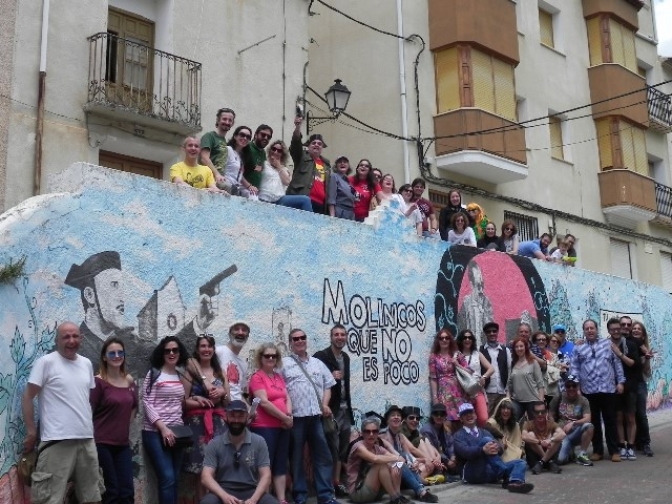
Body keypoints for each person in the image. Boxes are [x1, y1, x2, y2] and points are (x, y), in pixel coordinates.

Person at [22, 322, 103, 504]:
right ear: (57, 340)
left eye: (75, 336)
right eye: (66, 337)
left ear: (81, 338)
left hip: (86, 441)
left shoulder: (86, 364)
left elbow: (83, 400)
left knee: (92, 498)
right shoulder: (46, 363)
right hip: (56, 442)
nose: (71, 340)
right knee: (50, 500)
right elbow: (27, 397)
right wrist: (31, 432)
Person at [64, 250, 153, 377]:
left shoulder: (132, 344)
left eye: (121, 287)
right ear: (90, 295)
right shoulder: (74, 349)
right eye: (113, 285)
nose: (122, 297)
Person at [281, 328, 338, 504]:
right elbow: (279, 388)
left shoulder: (317, 363)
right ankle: (300, 496)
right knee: (296, 458)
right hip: (296, 418)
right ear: (290, 343)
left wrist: (325, 404)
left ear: (306, 340)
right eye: (295, 338)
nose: (299, 341)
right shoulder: (283, 363)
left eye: (302, 337)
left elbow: (328, 385)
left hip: (315, 418)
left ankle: (326, 496)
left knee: (323, 456)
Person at [200, 400, 278, 504]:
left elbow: (266, 476)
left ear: (247, 418)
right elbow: (206, 477)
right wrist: (224, 496)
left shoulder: (259, 441)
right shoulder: (214, 443)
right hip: (223, 490)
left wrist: (253, 500)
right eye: (232, 415)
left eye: (241, 416)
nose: (236, 420)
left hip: (251, 490)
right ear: (225, 417)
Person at [570, 319, 625, 462]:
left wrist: (620, 382)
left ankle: (614, 451)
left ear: (596, 329)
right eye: (587, 328)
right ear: (584, 331)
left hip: (608, 389)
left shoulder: (608, 345)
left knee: (610, 420)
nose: (589, 330)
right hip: (589, 391)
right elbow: (574, 368)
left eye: (592, 328)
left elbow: (617, 364)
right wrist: (575, 386)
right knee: (593, 422)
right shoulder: (579, 348)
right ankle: (597, 451)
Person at [90, 337, 137, 504]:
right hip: (102, 443)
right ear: (104, 357)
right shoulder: (98, 382)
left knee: (127, 491)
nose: (117, 356)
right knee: (112, 491)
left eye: (120, 352)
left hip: (122, 444)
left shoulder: (129, 381)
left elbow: (133, 406)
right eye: (112, 353)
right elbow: (89, 411)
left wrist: (124, 426)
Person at [182, 336, 230, 500]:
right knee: (202, 472)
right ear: (197, 349)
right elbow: (183, 402)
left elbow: (228, 401)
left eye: (209, 346)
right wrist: (200, 402)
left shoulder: (220, 373)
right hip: (197, 426)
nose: (206, 349)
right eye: (202, 346)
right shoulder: (190, 372)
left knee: (218, 468)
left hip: (219, 424)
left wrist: (223, 392)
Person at [142, 336, 188, 504]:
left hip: (177, 432)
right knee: (167, 478)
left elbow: (180, 403)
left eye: (175, 350)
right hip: (155, 432)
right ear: (162, 353)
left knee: (175, 478)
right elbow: (147, 403)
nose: (171, 353)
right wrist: (162, 428)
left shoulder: (179, 375)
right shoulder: (154, 374)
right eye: (167, 350)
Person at [453, 403, 533, 494]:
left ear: (475, 415)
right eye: (465, 414)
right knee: (486, 440)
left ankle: (515, 483)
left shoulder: (484, 432)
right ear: (461, 419)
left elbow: (500, 448)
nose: (469, 416)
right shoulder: (458, 435)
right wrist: (483, 450)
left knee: (520, 462)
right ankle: (505, 474)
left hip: (490, 471)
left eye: (470, 413)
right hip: (471, 472)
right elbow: (465, 452)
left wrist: (498, 447)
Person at [248, 343, 293, 504]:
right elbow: (264, 403)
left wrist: (289, 416)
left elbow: (286, 398)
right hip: (264, 428)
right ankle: (264, 499)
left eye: (274, 356)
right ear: (261, 358)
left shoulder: (278, 377)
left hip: (282, 426)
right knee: (264, 465)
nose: (271, 358)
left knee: (281, 463)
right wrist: (285, 418)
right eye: (267, 356)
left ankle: (281, 499)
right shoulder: (257, 377)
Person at [313, 324, 355, 498]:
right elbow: (314, 380)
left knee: (342, 449)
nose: (340, 337)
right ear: (331, 337)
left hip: (345, 409)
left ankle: (336, 483)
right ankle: (326, 485)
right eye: (336, 334)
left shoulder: (345, 357)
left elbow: (346, 385)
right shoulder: (321, 356)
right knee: (331, 447)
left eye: (343, 334)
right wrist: (330, 375)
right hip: (331, 409)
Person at [379, 405, 438, 502]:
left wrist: (414, 462)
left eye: (398, 415)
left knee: (409, 462)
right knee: (400, 461)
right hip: (388, 474)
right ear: (387, 420)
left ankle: (420, 488)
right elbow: (383, 458)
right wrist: (404, 461)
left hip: (400, 473)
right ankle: (420, 491)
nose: (396, 417)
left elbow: (408, 454)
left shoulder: (400, 436)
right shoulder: (382, 435)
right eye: (393, 415)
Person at [345, 417, 406, 504]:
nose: (371, 434)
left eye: (374, 431)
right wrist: (397, 458)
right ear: (362, 433)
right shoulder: (358, 447)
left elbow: (399, 460)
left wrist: (397, 463)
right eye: (367, 431)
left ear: (378, 433)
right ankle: (394, 498)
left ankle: (398, 495)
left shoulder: (378, 448)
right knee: (380, 464)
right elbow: (375, 458)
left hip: (375, 492)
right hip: (358, 492)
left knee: (395, 465)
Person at [606, 317, 641, 461]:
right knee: (619, 418)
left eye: (617, 328)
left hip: (630, 386)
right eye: (613, 329)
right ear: (608, 330)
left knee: (631, 417)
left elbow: (633, 363)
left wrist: (619, 354)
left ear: (621, 330)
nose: (616, 331)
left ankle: (631, 447)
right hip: (613, 387)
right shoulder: (605, 344)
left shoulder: (630, 345)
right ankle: (621, 445)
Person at [288, 116, 331, 214]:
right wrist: (298, 127)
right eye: (314, 143)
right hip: (302, 199)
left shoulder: (326, 165)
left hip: (320, 205)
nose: (317, 145)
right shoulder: (301, 157)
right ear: (308, 146)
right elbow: (295, 143)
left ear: (322, 148)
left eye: (319, 144)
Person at [548, 375, 594, 466]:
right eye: (568, 386)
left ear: (578, 386)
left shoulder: (583, 400)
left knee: (589, 426)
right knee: (560, 460)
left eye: (574, 385)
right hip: (561, 433)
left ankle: (582, 454)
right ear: (565, 387)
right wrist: (554, 428)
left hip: (576, 431)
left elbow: (587, 418)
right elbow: (550, 415)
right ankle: (570, 453)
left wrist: (573, 423)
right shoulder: (558, 397)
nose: (571, 388)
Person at [428, 329, 470, 428]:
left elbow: (469, 372)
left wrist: (457, 364)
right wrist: (435, 398)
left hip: (459, 393)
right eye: (441, 338)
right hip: (444, 395)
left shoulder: (457, 354)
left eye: (447, 338)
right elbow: (433, 378)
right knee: (446, 422)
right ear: (438, 341)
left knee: (461, 421)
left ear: (450, 340)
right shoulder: (433, 357)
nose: (444, 340)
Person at [258, 140, 313, 211]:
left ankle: (309, 222)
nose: (275, 152)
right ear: (270, 150)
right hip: (263, 198)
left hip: (279, 200)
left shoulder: (284, 169)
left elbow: (287, 182)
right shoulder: (264, 164)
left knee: (305, 200)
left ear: (282, 154)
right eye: (273, 149)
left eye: (279, 151)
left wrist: (278, 166)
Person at [456, 329, 494, 426]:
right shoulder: (456, 355)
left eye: (470, 337)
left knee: (483, 418)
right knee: (464, 419)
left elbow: (491, 369)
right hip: (463, 391)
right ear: (461, 340)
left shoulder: (477, 354)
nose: (467, 339)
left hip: (477, 389)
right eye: (465, 337)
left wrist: (484, 377)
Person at [457, 262, 494, 347]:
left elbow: (490, 328)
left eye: (481, 285)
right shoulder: (466, 303)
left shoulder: (486, 302)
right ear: (471, 283)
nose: (480, 290)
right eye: (477, 285)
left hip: (484, 348)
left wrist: (483, 313)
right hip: (469, 349)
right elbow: (460, 327)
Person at [630, 320, 654, 456]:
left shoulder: (645, 350)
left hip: (639, 384)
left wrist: (647, 358)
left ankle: (645, 442)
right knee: (629, 415)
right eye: (634, 328)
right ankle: (633, 442)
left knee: (641, 414)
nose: (636, 330)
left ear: (643, 335)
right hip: (628, 384)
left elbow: (647, 372)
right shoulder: (627, 344)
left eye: (639, 329)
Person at [400, 406, 444, 479]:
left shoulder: (415, 432)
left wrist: (437, 457)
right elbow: (412, 449)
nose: (415, 420)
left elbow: (430, 445)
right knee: (420, 441)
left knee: (424, 440)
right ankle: (422, 477)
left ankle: (430, 472)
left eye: (417, 418)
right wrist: (431, 460)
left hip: (416, 459)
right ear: (404, 419)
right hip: (405, 460)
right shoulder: (400, 431)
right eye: (411, 418)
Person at [521, 401, 565, 474]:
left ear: (546, 412)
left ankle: (542, 462)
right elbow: (524, 436)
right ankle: (547, 461)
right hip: (535, 460)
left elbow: (562, 434)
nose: (540, 414)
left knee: (556, 435)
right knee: (531, 435)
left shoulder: (551, 423)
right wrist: (540, 442)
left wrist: (550, 440)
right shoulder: (528, 424)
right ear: (533, 413)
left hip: (547, 455)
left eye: (542, 412)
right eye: (537, 412)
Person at [507, 337, 545, 421]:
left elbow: (540, 384)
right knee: (512, 421)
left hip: (533, 400)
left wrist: (541, 402)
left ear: (525, 347)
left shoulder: (533, 362)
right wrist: (507, 400)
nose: (519, 349)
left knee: (534, 425)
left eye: (521, 346)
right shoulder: (512, 364)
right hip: (517, 401)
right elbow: (509, 385)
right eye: (516, 347)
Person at [479, 322, 512, 418]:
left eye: (494, 331)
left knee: (502, 420)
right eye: (489, 332)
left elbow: (509, 371)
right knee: (487, 419)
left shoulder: (506, 350)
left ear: (497, 332)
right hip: (487, 392)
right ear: (485, 334)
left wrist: (508, 391)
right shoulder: (480, 350)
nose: (492, 333)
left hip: (503, 392)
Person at [200, 107, 236, 186]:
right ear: (218, 120)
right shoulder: (209, 136)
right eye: (224, 119)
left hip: (218, 179)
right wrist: (217, 174)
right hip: (206, 179)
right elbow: (204, 158)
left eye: (230, 120)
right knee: (226, 187)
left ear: (232, 123)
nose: (227, 122)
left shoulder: (224, 142)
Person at [216, 322, 251, 401]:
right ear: (229, 334)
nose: (240, 332)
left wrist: (249, 410)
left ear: (248, 336)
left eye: (244, 330)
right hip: (221, 406)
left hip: (238, 408)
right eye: (236, 329)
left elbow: (237, 391)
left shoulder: (244, 364)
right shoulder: (218, 352)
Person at [419, 404, 458, 477]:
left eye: (442, 414)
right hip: (434, 458)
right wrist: (447, 461)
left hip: (445, 458)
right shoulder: (427, 430)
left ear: (445, 416)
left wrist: (453, 457)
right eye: (436, 414)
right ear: (432, 416)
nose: (439, 417)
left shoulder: (446, 429)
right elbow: (433, 450)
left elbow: (450, 445)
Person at [483, 398, 523, 462]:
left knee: (521, 463)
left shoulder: (515, 425)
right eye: (503, 408)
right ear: (499, 410)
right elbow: (486, 427)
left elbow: (518, 443)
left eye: (508, 409)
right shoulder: (493, 422)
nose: (506, 411)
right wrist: (501, 436)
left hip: (512, 452)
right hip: (498, 451)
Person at [221, 125, 256, 197]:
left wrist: (249, 186)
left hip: (236, 188)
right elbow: (219, 167)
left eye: (248, 137)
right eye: (242, 135)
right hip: (226, 187)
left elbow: (239, 174)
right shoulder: (228, 150)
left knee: (253, 196)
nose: (245, 138)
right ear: (235, 136)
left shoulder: (242, 156)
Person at [243, 124, 273, 191]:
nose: (266, 138)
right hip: (244, 189)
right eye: (263, 135)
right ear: (256, 135)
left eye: (269, 137)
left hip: (257, 192)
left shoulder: (263, 153)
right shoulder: (247, 148)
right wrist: (248, 186)